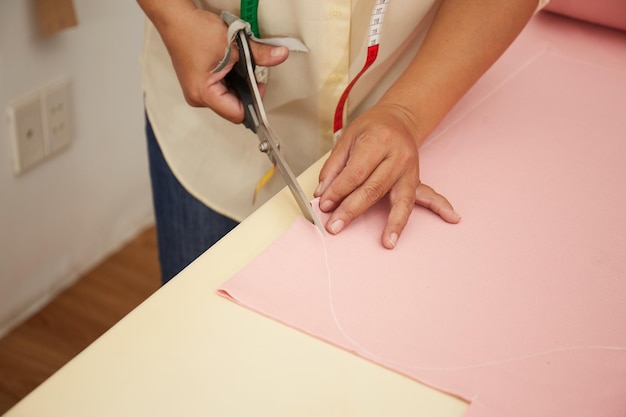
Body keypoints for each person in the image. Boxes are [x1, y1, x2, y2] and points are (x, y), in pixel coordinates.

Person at [137, 0, 548, 284]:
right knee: (202, 351)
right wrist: (173, 15)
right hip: (209, 129)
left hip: (413, 93)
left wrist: (406, 112)